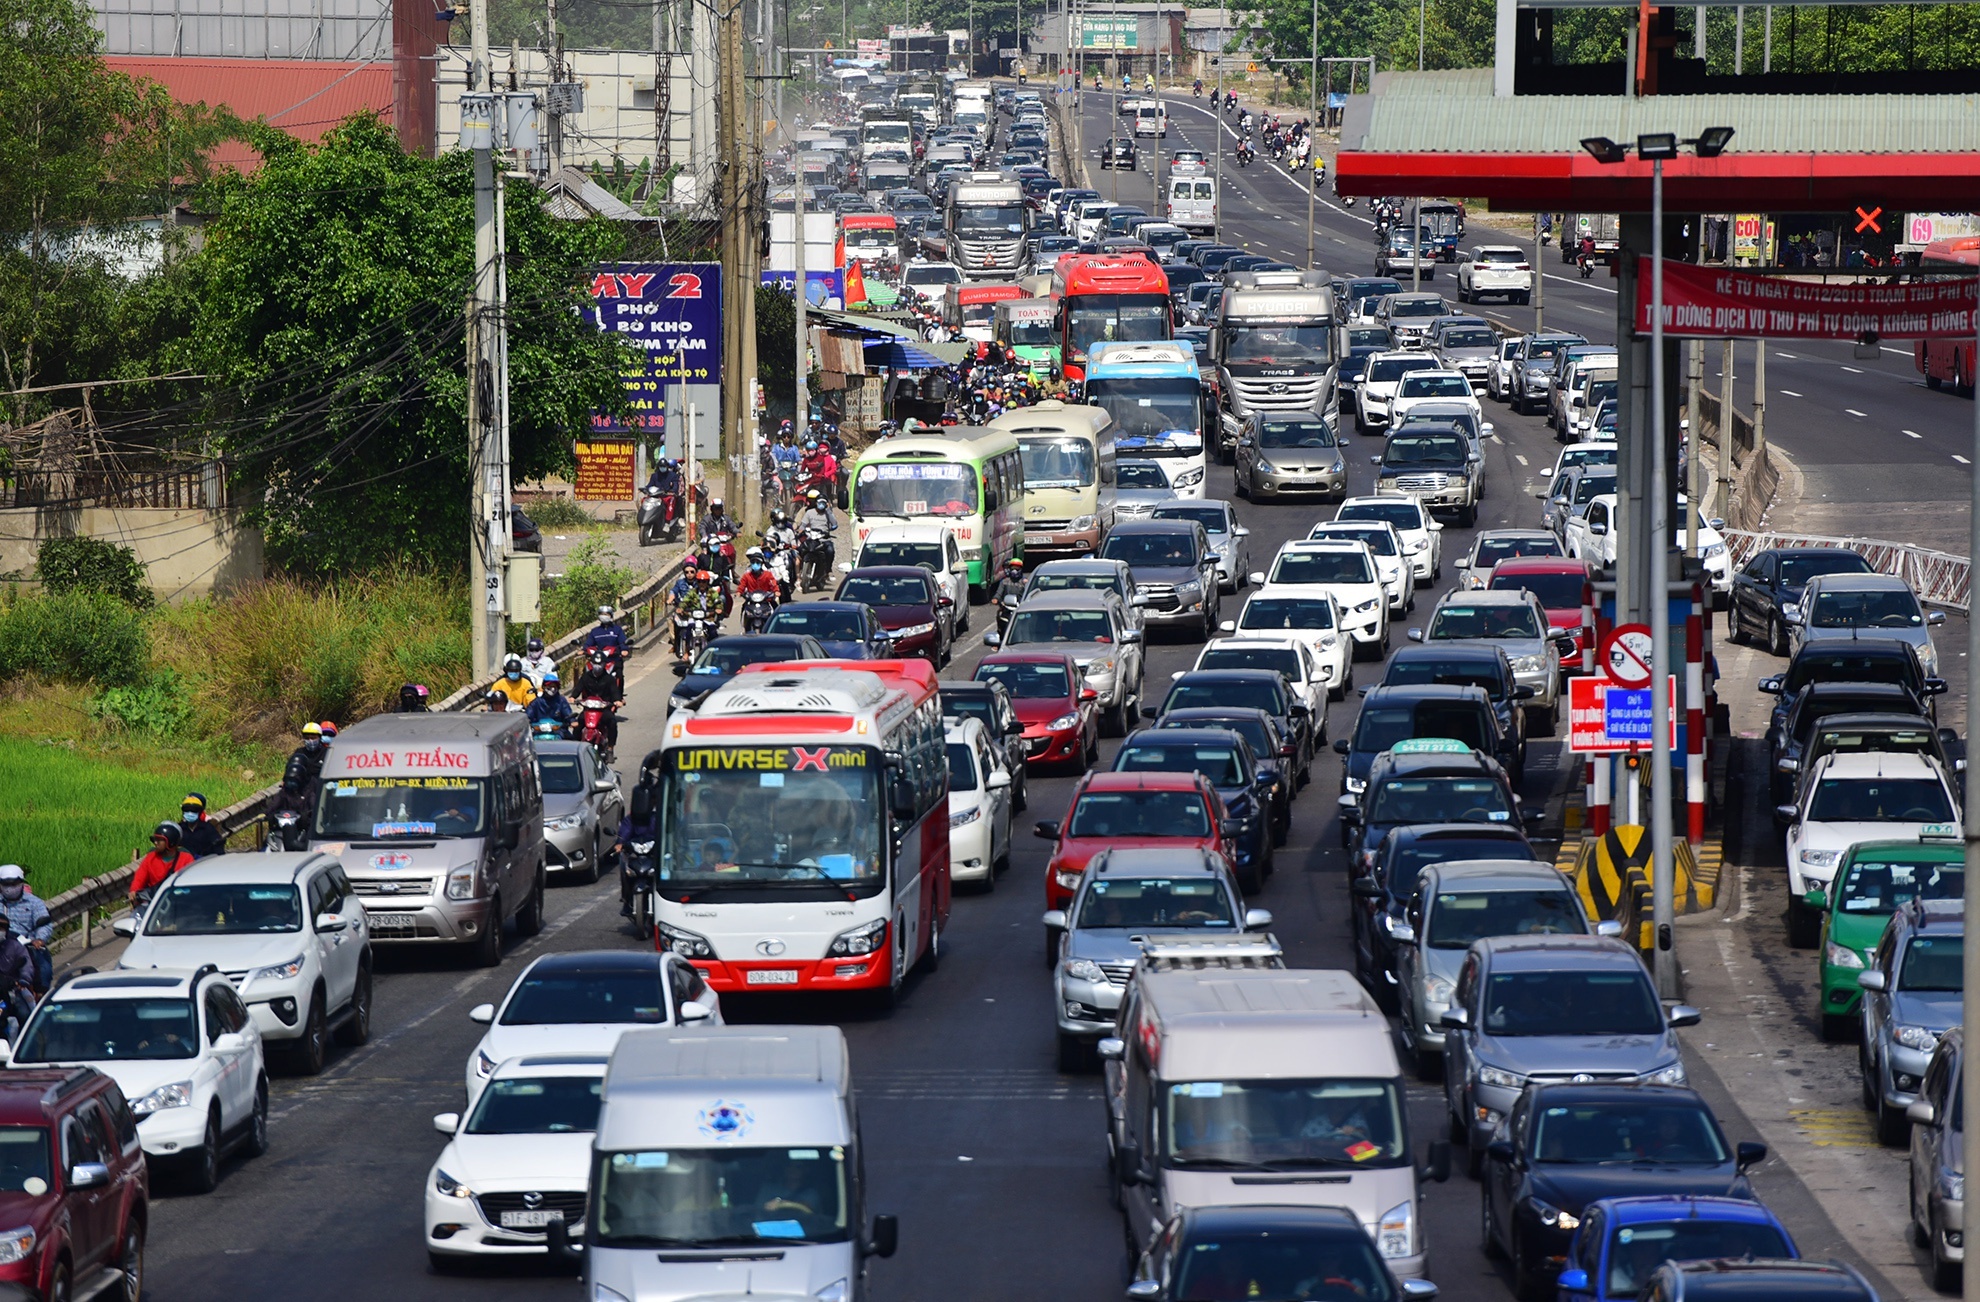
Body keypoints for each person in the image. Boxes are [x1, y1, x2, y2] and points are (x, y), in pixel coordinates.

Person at [0, 867, 51, 995]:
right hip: (3, 943)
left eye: (13, 884)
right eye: (6, 884)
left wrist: (39, 939)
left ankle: (41, 994)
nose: (9, 888)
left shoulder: (34, 902)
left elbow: (44, 924)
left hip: (26, 943)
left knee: (42, 962)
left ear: (22, 883)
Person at [130, 823, 194, 911]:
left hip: (179, 903)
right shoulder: (150, 858)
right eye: (155, 840)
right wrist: (134, 890)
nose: (155, 843)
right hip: (155, 902)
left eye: (159, 840)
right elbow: (140, 877)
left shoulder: (186, 859)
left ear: (170, 842)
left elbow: (191, 883)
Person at [178, 792, 227, 860]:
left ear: (200, 812)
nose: (190, 813)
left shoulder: (208, 829)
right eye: (187, 810)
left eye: (193, 810)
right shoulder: (179, 829)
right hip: (184, 866)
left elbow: (218, 849)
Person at [527, 669, 574, 735]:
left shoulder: (561, 700)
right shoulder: (536, 702)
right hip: (539, 732)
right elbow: (528, 714)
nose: (552, 688)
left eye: (554, 686)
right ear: (543, 687)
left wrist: (572, 721)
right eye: (549, 686)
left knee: (572, 743)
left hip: (559, 732)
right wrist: (525, 721)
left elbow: (567, 712)